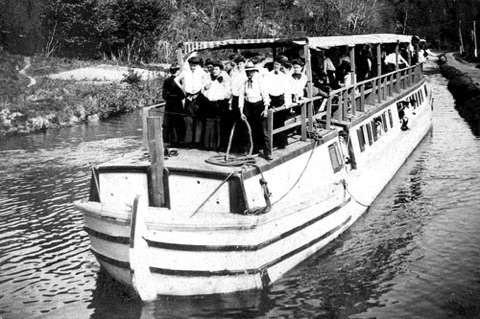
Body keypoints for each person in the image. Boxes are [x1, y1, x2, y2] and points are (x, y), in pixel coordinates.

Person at [238, 61, 272, 160]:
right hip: (249, 107)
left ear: (254, 72)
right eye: (247, 72)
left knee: (263, 131)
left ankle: (268, 152)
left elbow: (265, 95)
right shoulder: (244, 83)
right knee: (249, 129)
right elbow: (241, 97)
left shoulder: (260, 81)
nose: (249, 74)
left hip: (259, 106)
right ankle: (252, 149)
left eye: (251, 72)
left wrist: (265, 109)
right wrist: (241, 112)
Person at [175, 56, 210, 144]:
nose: (193, 67)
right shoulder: (185, 72)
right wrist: (183, 89)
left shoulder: (202, 72)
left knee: (198, 119)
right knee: (188, 119)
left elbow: (207, 81)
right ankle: (188, 141)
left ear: (198, 65)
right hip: (188, 96)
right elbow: (176, 79)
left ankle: (197, 141)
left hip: (198, 96)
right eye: (191, 65)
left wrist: (203, 88)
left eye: (195, 65)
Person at [263, 57, 292, 149]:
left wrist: (287, 102)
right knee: (271, 122)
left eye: (278, 65)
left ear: (280, 66)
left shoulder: (284, 77)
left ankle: (281, 143)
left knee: (280, 121)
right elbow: (265, 89)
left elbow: (287, 90)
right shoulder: (268, 75)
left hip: (280, 100)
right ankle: (272, 143)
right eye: (275, 64)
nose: (276, 66)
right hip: (271, 100)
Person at [201, 60, 232, 149]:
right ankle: (209, 145)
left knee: (220, 124)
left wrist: (222, 97)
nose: (214, 71)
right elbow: (204, 90)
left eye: (216, 69)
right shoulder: (209, 77)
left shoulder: (225, 77)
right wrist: (205, 88)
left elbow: (228, 92)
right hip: (210, 103)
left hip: (220, 104)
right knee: (209, 122)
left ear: (220, 70)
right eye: (213, 69)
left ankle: (219, 145)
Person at [162, 63, 185, 146]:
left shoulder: (166, 81)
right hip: (177, 104)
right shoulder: (179, 81)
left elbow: (164, 95)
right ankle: (178, 141)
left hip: (169, 104)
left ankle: (168, 141)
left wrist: (169, 99)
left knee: (168, 122)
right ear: (177, 71)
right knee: (178, 122)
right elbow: (182, 94)